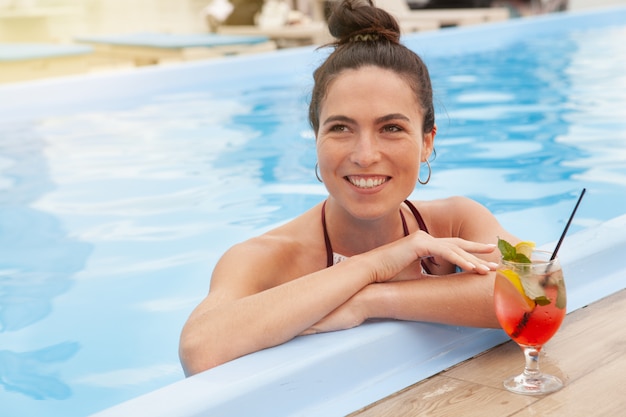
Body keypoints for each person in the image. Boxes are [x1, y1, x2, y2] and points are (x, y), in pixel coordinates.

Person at [179, 0, 518, 376]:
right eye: (340, 128)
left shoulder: (455, 223)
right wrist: (378, 263)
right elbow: (200, 351)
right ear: (316, 138)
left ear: (426, 142)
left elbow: (533, 294)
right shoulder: (266, 259)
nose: (365, 155)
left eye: (391, 128)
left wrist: (370, 300)